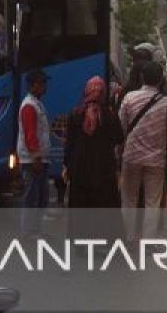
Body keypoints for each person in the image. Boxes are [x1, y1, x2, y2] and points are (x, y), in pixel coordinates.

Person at [118, 60, 167, 242]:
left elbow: (121, 128)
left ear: (142, 77)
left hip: (131, 157)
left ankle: (129, 238)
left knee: (128, 200)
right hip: (155, 160)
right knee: (152, 202)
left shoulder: (129, 98)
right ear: (161, 80)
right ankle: (148, 240)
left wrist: (119, 151)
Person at [64, 75, 123, 236]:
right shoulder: (109, 115)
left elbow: (69, 143)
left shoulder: (76, 113)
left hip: (80, 167)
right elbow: (119, 137)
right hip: (103, 168)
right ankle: (103, 239)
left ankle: (81, 240)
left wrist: (67, 165)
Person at [17, 68, 51, 235]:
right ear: (33, 85)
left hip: (39, 159)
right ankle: (28, 231)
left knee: (41, 197)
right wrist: (36, 157)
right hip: (32, 161)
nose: (45, 86)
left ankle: (35, 229)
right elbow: (30, 135)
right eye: (42, 83)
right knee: (31, 197)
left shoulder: (36, 104)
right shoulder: (29, 106)